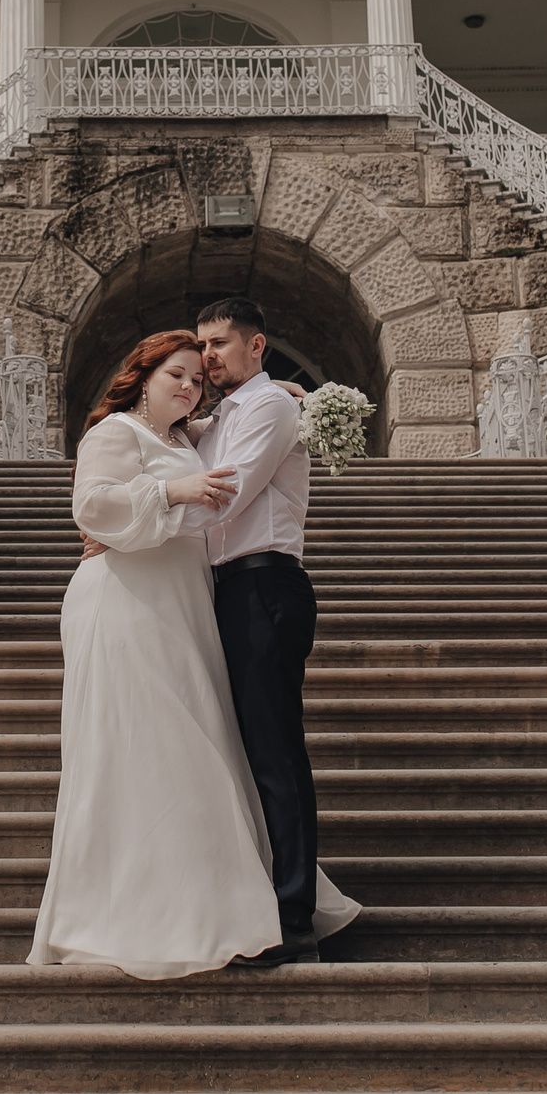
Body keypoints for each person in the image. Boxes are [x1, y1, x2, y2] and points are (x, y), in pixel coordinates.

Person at [26, 331, 352, 978]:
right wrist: (174, 493)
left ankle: (205, 898)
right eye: (175, 374)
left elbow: (232, 416)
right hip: (126, 602)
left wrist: (284, 391)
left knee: (192, 747)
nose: (187, 386)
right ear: (141, 374)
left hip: (182, 606)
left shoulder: (186, 438)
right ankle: (126, 910)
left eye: (196, 380)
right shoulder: (116, 432)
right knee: (143, 745)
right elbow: (90, 505)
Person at [186, 295, 354, 967]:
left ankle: (293, 913)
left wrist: (143, 522)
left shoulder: (270, 407)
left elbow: (229, 488)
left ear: (257, 346)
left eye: (221, 342)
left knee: (276, 753)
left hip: (263, 585)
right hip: (223, 589)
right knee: (239, 751)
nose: (208, 356)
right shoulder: (222, 414)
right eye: (202, 344)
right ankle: (253, 896)